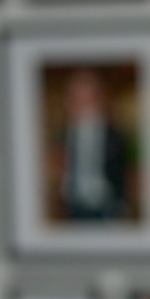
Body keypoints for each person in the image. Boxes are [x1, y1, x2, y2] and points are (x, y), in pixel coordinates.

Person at [57, 68, 130, 221]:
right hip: (71, 206)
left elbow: (123, 170)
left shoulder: (114, 135)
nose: (83, 103)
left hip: (107, 206)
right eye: (77, 97)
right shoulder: (62, 135)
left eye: (88, 97)